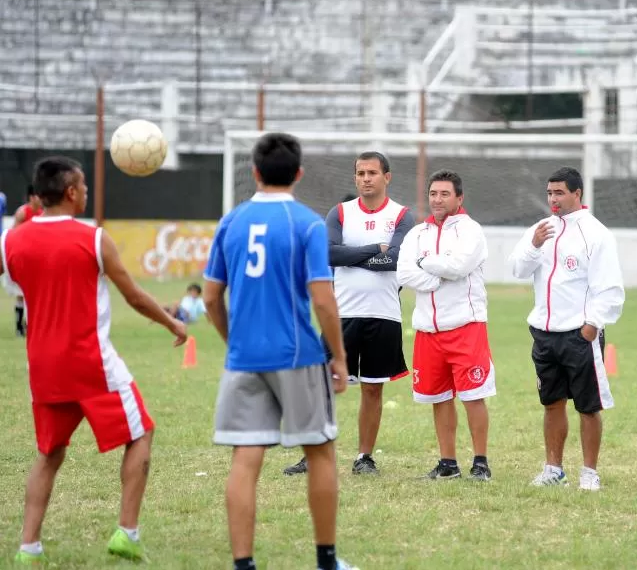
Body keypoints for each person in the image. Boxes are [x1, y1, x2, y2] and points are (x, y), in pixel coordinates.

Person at [1, 157, 187, 565]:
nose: (86, 192)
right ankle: (127, 532)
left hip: (43, 368)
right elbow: (134, 296)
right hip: (91, 363)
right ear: (70, 192)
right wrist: (173, 323)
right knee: (142, 433)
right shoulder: (93, 238)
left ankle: (28, 548)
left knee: (49, 453)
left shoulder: (12, 240)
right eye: (83, 186)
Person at [202, 132, 357, 570]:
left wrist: (234, 342)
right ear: (299, 174)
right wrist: (339, 358)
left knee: (245, 459)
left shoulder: (230, 221)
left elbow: (212, 297)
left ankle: (243, 564)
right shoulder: (306, 223)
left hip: (244, 360)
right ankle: (326, 561)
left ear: (253, 172)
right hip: (297, 357)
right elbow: (324, 300)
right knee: (320, 451)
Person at [284, 152, 415, 477]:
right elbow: (328, 253)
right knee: (322, 383)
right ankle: (313, 453)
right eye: (360, 173)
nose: (365, 178)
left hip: (384, 314)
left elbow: (398, 259)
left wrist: (351, 256)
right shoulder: (340, 213)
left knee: (372, 388)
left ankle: (364, 457)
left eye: (372, 172)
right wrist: (375, 248)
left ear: (387, 177)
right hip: (341, 314)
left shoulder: (402, 216)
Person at [508, 167, 625, 492]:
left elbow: (610, 288)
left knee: (588, 406)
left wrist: (591, 326)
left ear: (577, 194)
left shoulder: (596, 233)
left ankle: (589, 472)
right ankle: (553, 469)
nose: (553, 200)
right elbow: (518, 269)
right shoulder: (540, 229)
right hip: (544, 334)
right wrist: (533, 245)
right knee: (552, 402)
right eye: (549, 193)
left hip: (580, 335)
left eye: (559, 193)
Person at [397, 169, 494, 481]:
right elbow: (404, 274)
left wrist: (426, 264)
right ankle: (447, 463)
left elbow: (459, 266)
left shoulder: (470, 231)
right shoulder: (417, 234)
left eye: (444, 194)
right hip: (428, 330)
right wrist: (437, 271)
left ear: (459, 198)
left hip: (466, 326)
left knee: (473, 396)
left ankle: (480, 462)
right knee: (438, 397)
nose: (437, 200)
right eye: (433, 194)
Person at [8, 185, 43, 337]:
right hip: (23, 258)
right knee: (20, 294)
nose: (40, 199)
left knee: (34, 294)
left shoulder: (42, 214)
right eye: (37, 196)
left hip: (37, 259)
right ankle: (19, 327)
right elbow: (14, 235)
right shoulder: (23, 213)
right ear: (31, 197)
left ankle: (30, 325)